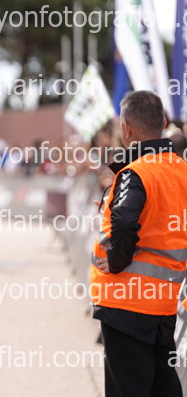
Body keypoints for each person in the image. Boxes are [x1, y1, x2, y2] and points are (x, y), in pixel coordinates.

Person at [90, 90, 187, 397]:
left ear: (127, 128)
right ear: (164, 123)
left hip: (126, 302)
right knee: (163, 388)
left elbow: (123, 222)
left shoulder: (136, 172)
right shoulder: (182, 170)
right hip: (165, 302)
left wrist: (116, 260)